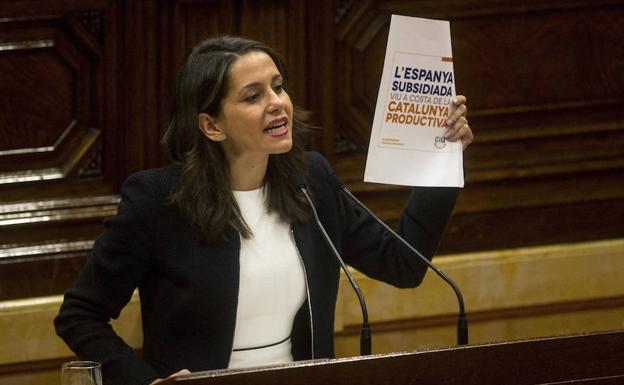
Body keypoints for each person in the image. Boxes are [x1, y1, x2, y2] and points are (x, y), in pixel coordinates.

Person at [54, 35, 473, 385]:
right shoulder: (157, 201)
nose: (277, 103)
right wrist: (145, 381)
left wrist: (443, 159)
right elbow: (80, 315)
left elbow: (404, 265)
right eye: (253, 96)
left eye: (278, 86)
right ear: (211, 126)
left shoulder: (311, 182)